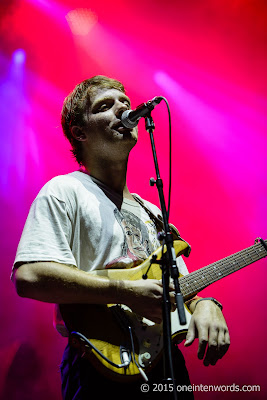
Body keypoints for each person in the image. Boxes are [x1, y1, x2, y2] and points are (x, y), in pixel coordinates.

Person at [12, 76, 230, 399]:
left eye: (125, 104)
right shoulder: (65, 191)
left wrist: (207, 305)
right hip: (101, 367)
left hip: (166, 367)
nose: (123, 109)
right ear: (80, 132)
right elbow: (28, 275)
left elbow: (179, 292)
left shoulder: (152, 210)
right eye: (105, 106)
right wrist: (126, 291)